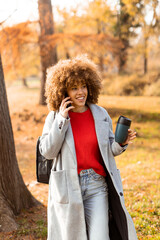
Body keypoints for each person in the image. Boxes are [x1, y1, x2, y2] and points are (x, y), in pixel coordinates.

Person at [39, 55, 137, 240]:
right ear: (63, 91)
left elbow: (109, 150)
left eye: (83, 86)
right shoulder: (54, 117)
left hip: (96, 186)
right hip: (68, 186)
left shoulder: (100, 114)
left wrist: (120, 144)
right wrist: (62, 119)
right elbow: (47, 151)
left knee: (100, 236)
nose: (80, 92)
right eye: (74, 88)